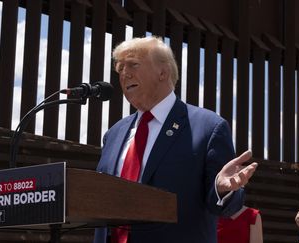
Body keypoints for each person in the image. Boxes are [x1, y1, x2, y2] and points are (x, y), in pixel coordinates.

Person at [94, 36, 258, 243]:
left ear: (163, 72)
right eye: (119, 69)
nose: (124, 74)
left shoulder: (208, 127)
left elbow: (227, 208)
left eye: (133, 64)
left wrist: (221, 190)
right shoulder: (114, 134)